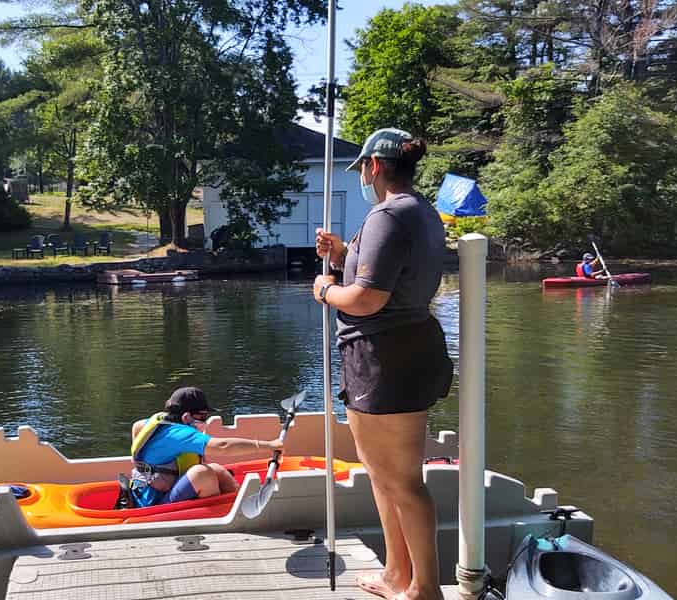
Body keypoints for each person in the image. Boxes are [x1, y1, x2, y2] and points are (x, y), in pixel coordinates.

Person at [313, 128, 453, 600]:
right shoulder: (422, 212)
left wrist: (326, 290)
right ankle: (397, 575)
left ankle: (424, 589)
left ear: (374, 166)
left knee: (401, 481)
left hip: (383, 361)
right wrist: (343, 255)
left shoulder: (387, 214)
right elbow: (395, 276)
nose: (363, 178)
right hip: (406, 352)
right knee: (385, 476)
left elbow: (367, 299)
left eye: (363, 170)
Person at [127, 386, 283, 508]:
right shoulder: (178, 434)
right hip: (154, 505)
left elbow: (137, 426)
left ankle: (238, 506)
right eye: (202, 416)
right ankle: (216, 513)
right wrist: (269, 446)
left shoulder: (159, 422)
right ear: (186, 417)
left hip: (160, 491)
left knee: (217, 469)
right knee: (202, 474)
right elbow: (222, 446)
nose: (205, 421)